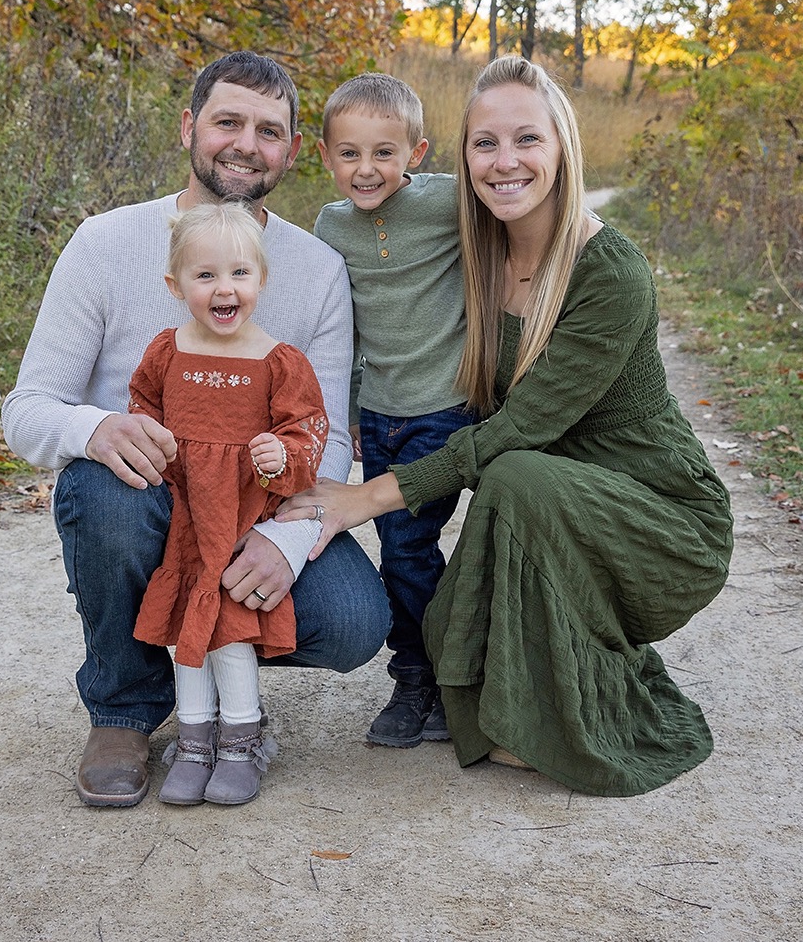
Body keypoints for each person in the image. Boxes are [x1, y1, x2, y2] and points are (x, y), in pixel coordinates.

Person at [286, 55, 733, 796]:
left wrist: (366, 497)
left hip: (659, 522)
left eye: (527, 139)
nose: (505, 162)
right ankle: (503, 682)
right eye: (485, 143)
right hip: (546, 506)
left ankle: (576, 696)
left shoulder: (609, 272)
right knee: (439, 624)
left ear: (562, 146)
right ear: (461, 159)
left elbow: (516, 429)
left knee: (513, 470)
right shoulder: (473, 248)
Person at [1, 51, 391, 808]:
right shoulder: (107, 244)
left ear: (289, 151)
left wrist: (287, 538)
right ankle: (123, 708)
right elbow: (29, 408)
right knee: (104, 492)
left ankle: (221, 673)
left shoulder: (313, 268)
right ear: (189, 127)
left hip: (256, 503)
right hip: (148, 500)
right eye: (228, 122)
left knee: (352, 621)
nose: (246, 144)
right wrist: (97, 428)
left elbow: (328, 433)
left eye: (269, 131)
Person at [128, 203, 328, 805]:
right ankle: (193, 740)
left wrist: (280, 454)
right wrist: (152, 435)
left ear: (261, 281)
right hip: (185, 518)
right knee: (190, 626)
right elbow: (142, 403)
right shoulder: (167, 352)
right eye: (206, 275)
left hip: (241, 520)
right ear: (176, 285)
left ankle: (239, 739)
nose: (224, 288)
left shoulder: (277, 361)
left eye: (240, 274)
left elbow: (309, 429)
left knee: (231, 634)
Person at [311, 73, 473, 749]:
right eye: (349, 153)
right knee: (404, 550)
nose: (366, 168)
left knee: (420, 546)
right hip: (378, 414)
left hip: (446, 407)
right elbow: (337, 326)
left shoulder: (449, 204)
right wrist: (345, 410)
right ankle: (424, 678)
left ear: (418, 150)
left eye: (385, 152)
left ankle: (441, 677)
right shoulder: (329, 226)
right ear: (325, 157)